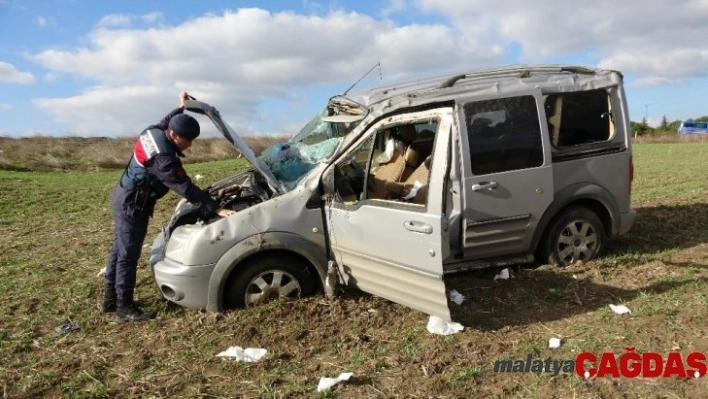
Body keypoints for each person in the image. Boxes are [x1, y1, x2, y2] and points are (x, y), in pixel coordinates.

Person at [102, 91, 235, 323]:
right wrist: (215, 208)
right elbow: (184, 186)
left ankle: (110, 301)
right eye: (187, 139)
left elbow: (168, 118)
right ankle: (124, 308)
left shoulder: (154, 131)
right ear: (174, 135)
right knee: (127, 255)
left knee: (119, 250)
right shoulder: (163, 158)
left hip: (125, 195)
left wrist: (182, 106)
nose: (190, 145)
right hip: (133, 204)